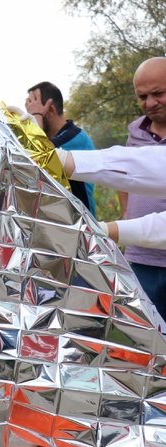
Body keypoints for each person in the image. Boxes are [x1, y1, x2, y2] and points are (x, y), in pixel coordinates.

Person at [117, 56, 166, 317]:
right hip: (140, 259)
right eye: (142, 96)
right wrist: (127, 215)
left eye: (158, 93)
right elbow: (123, 176)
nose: (149, 103)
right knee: (148, 337)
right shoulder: (136, 132)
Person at [25, 81, 96, 213]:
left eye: (33, 113)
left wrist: (37, 116)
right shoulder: (59, 138)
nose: (30, 120)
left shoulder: (75, 138)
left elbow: (39, 154)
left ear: (50, 109)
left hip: (84, 228)